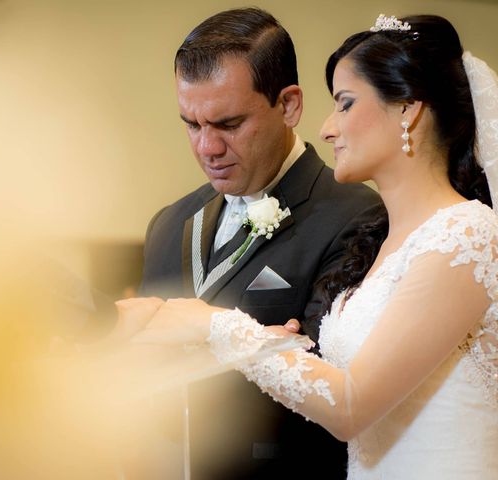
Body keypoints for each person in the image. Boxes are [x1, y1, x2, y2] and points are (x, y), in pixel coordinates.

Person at [131, 13, 498, 479]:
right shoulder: (394, 241)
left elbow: (349, 404)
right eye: (192, 124)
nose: (328, 128)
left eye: (344, 104)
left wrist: (217, 327)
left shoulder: (464, 235)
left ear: (407, 109)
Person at [138, 7, 381, 480]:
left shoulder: (357, 216)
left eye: (228, 124)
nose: (207, 147)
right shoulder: (169, 223)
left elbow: (331, 383)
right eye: (191, 124)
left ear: (289, 104)